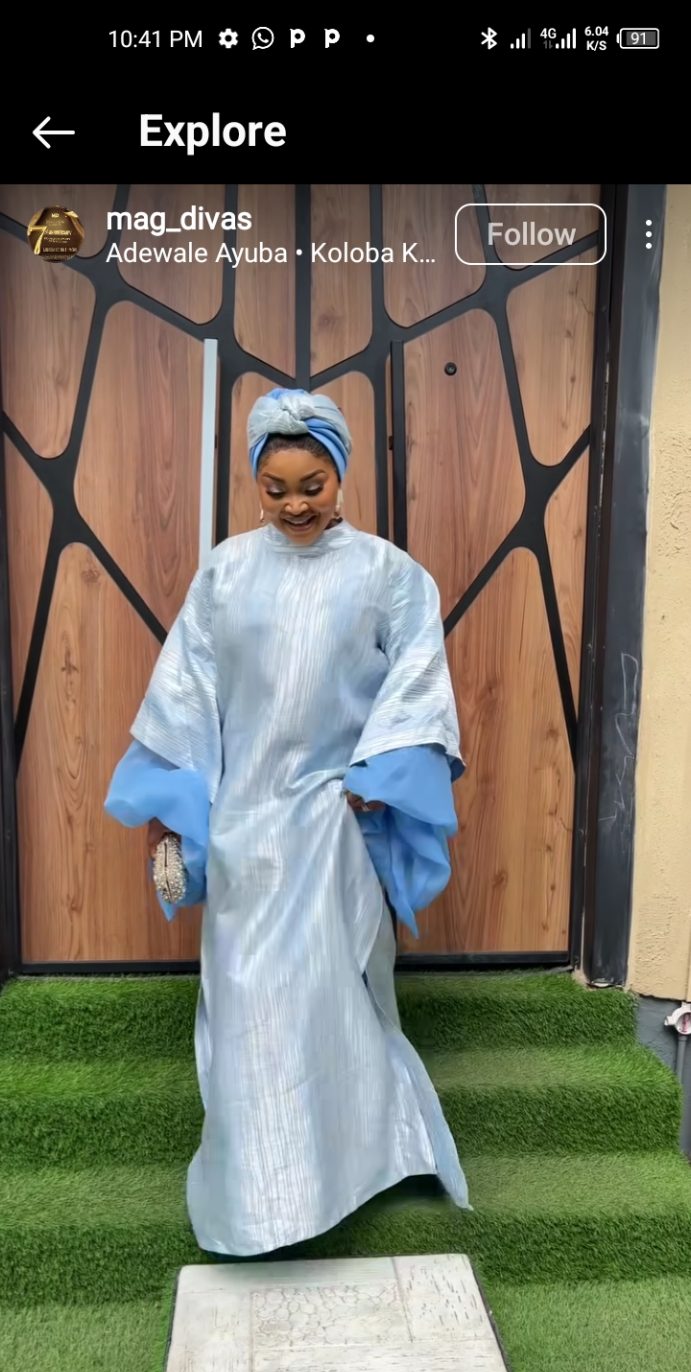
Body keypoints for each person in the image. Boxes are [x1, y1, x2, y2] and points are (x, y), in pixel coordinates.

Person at [104, 385, 471, 1257]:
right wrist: (172, 811)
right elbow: (184, 695)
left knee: (328, 1003)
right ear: (254, 483)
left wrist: (380, 772)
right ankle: (256, 1199)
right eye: (275, 489)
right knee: (244, 1003)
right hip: (243, 830)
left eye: (313, 485)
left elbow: (419, 679)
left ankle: (349, 1169)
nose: (295, 505)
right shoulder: (225, 573)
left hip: (332, 825)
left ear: (340, 475)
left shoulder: (387, 575)